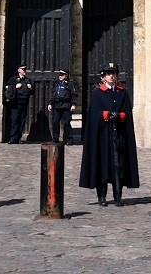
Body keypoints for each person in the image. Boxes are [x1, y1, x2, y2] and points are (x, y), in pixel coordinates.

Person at [79, 62, 139, 206]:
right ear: (103, 77)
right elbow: (94, 114)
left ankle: (118, 196)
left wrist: (121, 116)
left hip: (118, 134)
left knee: (118, 165)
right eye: (108, 74)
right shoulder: (98, 93)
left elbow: (127, 111)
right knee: (102, 164)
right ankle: (102, 197)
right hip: (103, 135)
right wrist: (106, 115)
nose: (111, 76)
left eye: (114, 73)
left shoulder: (122, 92)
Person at [5, 64, 33, 143]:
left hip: (24, 103)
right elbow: (7, 90)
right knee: (15, 121)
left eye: (25, 69)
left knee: (22, 121)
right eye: (23, 69)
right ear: (19, 70)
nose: (25, 71)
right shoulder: (13, 79)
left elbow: (32, 92)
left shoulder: (27, 80)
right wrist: (15, 86)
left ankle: (19, 138)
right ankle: (13, 138)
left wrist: (31, 88)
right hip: (15, 103)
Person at [48, 70, 77, 144]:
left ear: (66, 76)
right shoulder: (56, 84)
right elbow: (53, 94)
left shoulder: (70, 84)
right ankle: (55, 139)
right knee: (55, 122)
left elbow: (74, 95)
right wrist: (50, 103)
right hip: (57, 106)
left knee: (67, 123)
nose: (60, 76)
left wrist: (73, 105)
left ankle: (69, 139)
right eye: (60, 75)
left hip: (66, 106)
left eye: (62, 75)